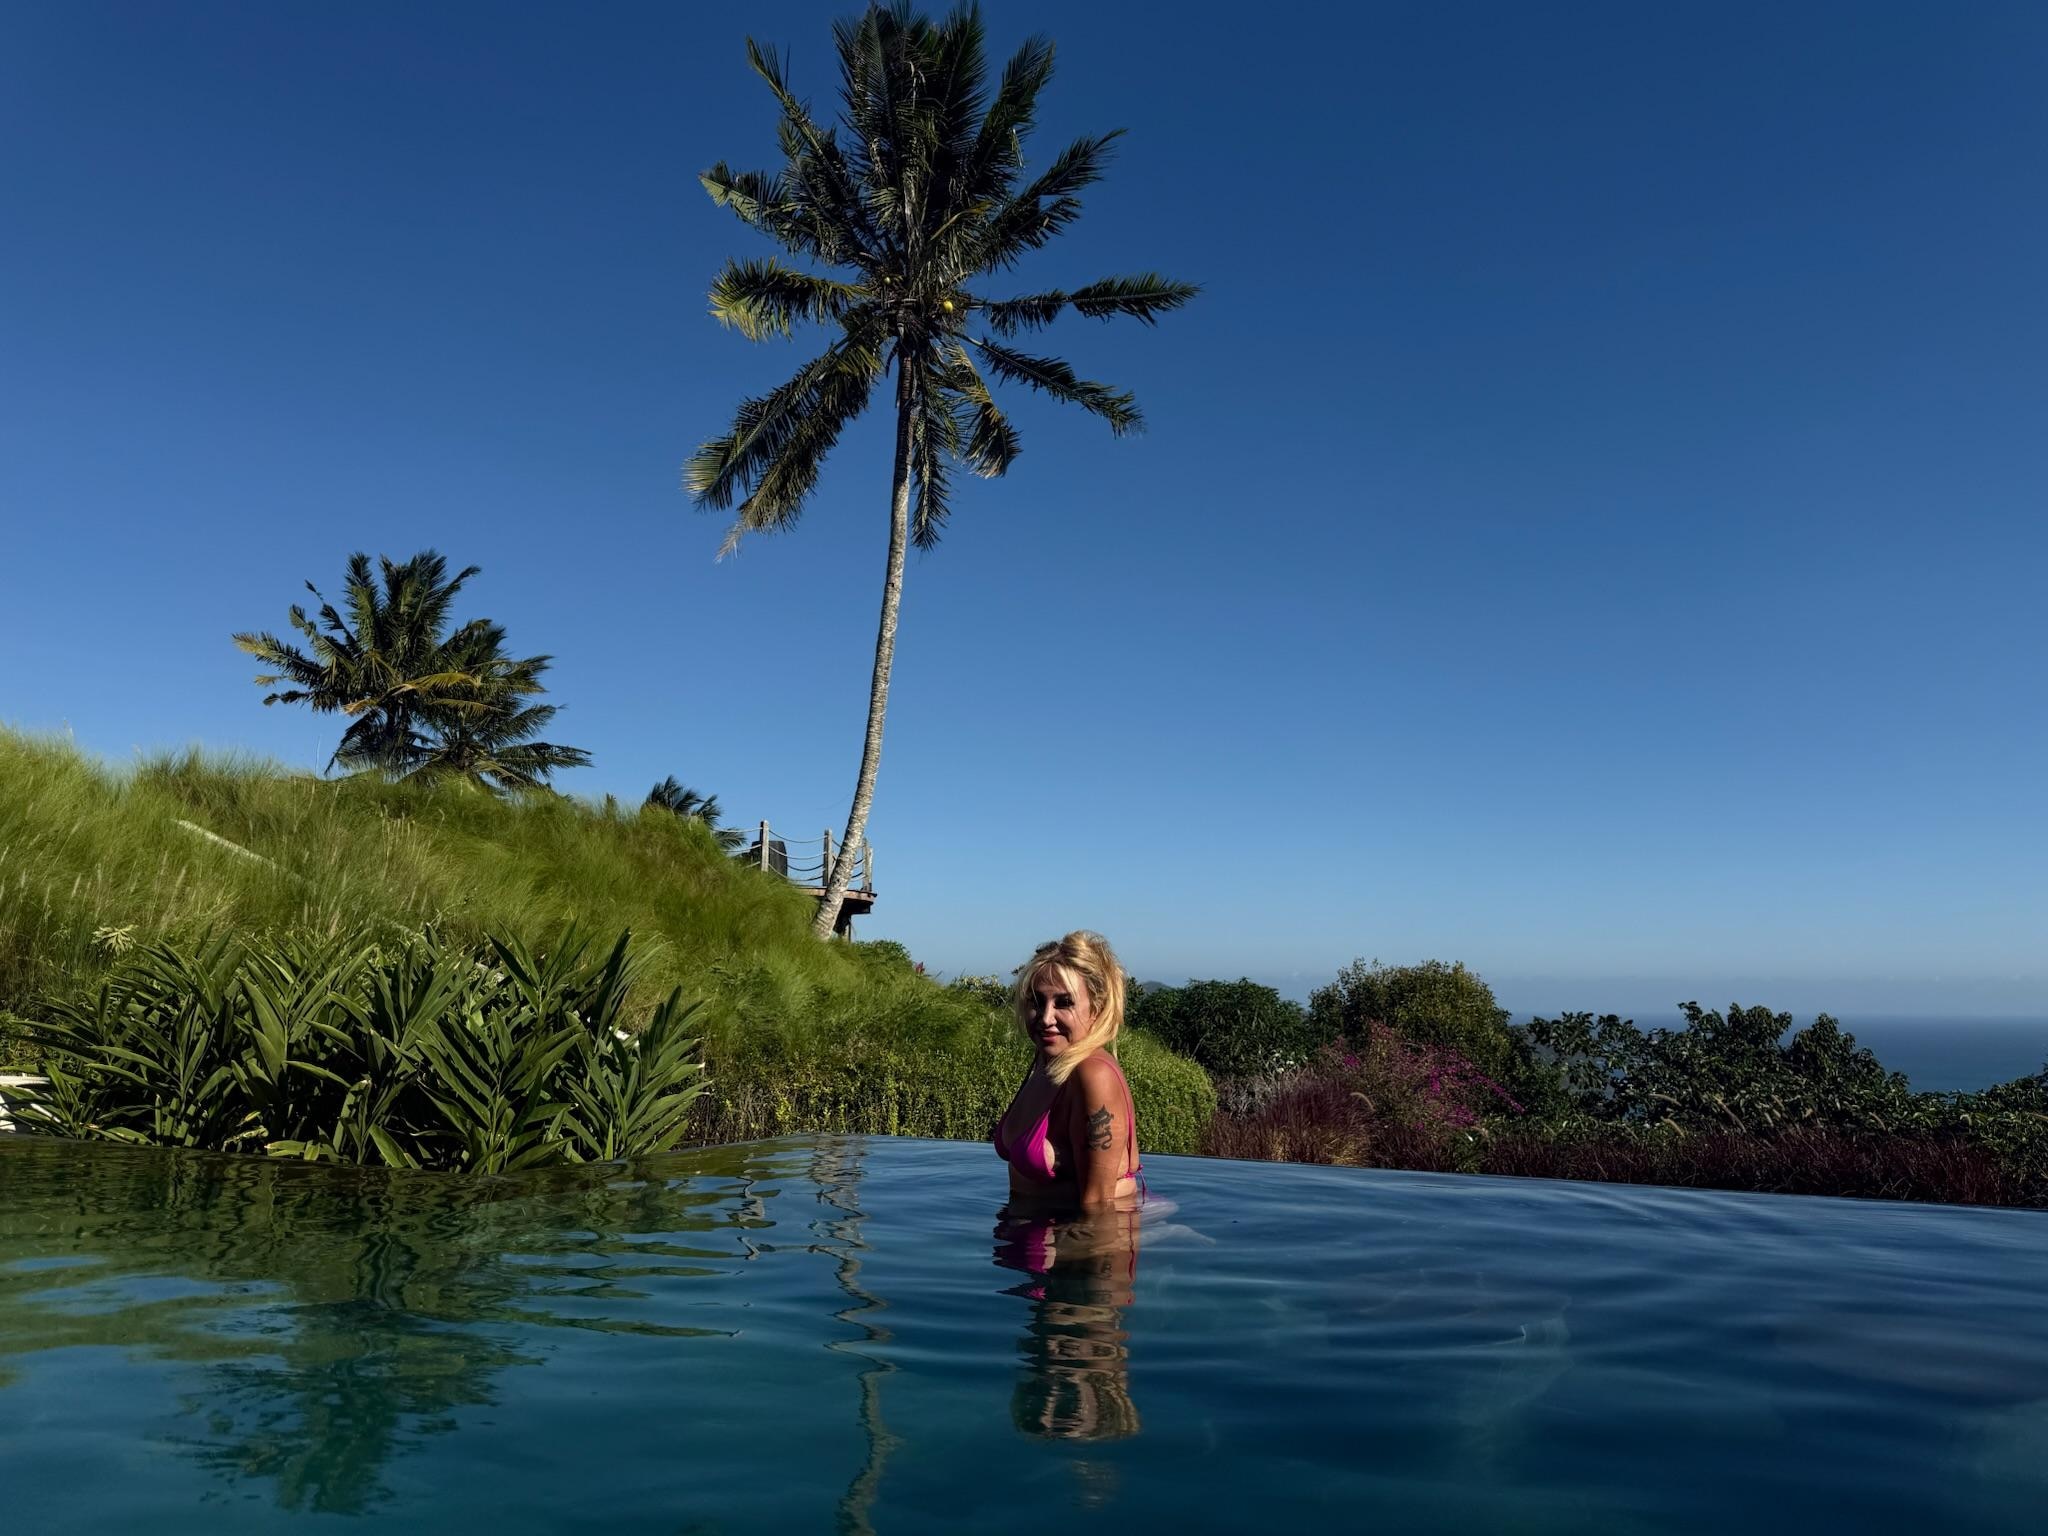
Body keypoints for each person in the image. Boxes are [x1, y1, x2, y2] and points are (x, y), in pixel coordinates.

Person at [992, 932, 1143, 1209]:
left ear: (1096, 1009)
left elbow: (1098, 1205)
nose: (1046, 1018)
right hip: (1027, 1228)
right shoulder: (1046, 1060)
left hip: (1080, 1232)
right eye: (1037, 1001)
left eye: (1064, 1003)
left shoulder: (1093, 1075)